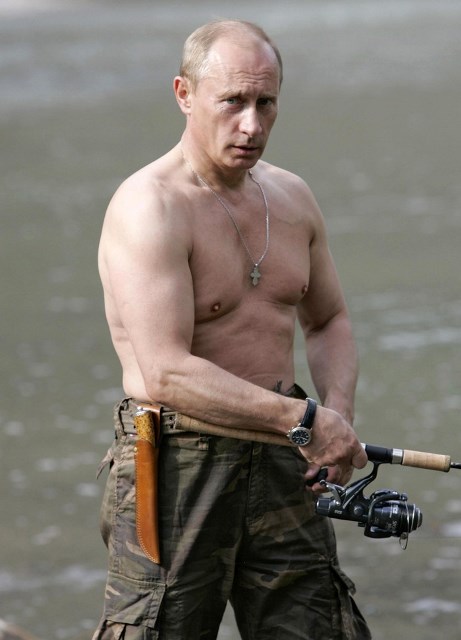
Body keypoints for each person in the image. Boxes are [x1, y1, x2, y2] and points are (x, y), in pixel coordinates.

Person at [92, 19, 371, 640]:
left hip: (287, 460)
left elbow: (328, 319)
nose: (251, 125)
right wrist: (305, 419)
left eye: (265, 103)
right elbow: (166, 371)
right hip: (178, 461)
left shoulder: (292, 198)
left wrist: (338, 416)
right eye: (233, 102)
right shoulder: (150, 206)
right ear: (184, 94)